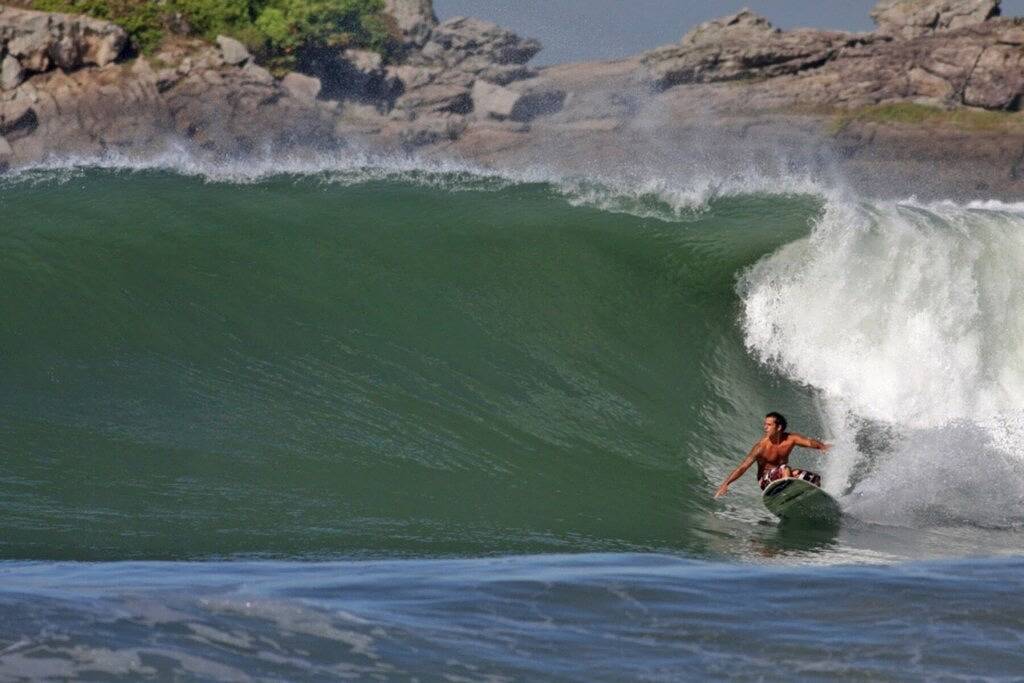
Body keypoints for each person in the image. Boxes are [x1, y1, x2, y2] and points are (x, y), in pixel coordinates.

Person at [714, 412, 831, 498]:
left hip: (783, 477)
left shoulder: (790, 439)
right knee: (785, 468)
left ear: (779, 427)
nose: (765, 427)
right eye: (765, 424)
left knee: (814, 478)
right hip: (766, 481)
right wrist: (726, 484)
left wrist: (823, 447)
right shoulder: (761, 447)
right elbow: (743, 467)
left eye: (769, 425)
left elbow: (808, 442)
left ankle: (811, 500)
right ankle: (788, 496)